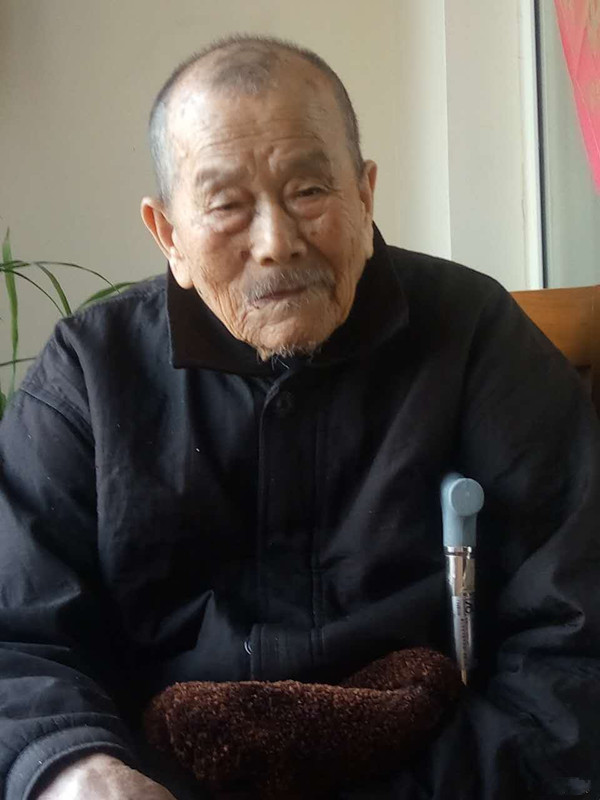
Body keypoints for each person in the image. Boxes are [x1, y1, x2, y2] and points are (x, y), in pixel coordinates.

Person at [0, 35, 599, 800]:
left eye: (310, 190)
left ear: (366, 194)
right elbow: (19, 635)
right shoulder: (89, 373)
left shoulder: (475, 336)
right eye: (226, 204)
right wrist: (71, 766)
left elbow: (573, 638)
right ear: (168, 234)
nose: (276, 243)